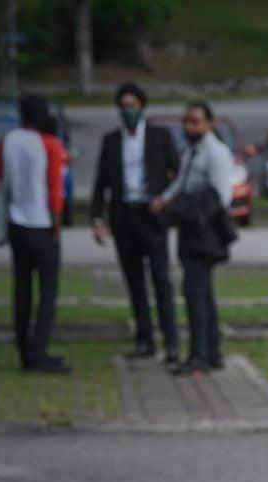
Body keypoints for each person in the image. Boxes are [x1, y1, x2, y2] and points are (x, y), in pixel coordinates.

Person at [91, 82, 181, 364]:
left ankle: (172, 342)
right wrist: (97, 219)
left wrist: (166, 200)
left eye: (133, 105)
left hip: (151, 215)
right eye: (123, 105)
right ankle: (145, 339)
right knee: (135, 282)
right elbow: (100, 184)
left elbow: (178, 174)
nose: (128, 110)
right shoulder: (111, 141)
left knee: (161, 280)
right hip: (124, 216)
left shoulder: (159, 136)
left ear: (142, 107)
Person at [150, 100, 235, 376]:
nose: (189, 126)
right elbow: (181, 182)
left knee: (195, 293)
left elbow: (222, 194)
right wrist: (165, 200)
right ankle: (211, 351)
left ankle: (199, 354)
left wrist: (191, 208)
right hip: (189, 226)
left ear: (209, 123)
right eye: (186, 121)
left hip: (205, 229)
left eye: (195, 121)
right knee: (201, 293)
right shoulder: (192, 151)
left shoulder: (216, 153)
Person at [0, 94, 69, 373]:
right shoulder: (49, 144)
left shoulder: (8, 140)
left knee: (22, 290)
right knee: (47, 292)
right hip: (42, 224)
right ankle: (39, 353)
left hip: (16, 224)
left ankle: (24, 350)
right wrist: (57, 228)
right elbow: (55, 192)